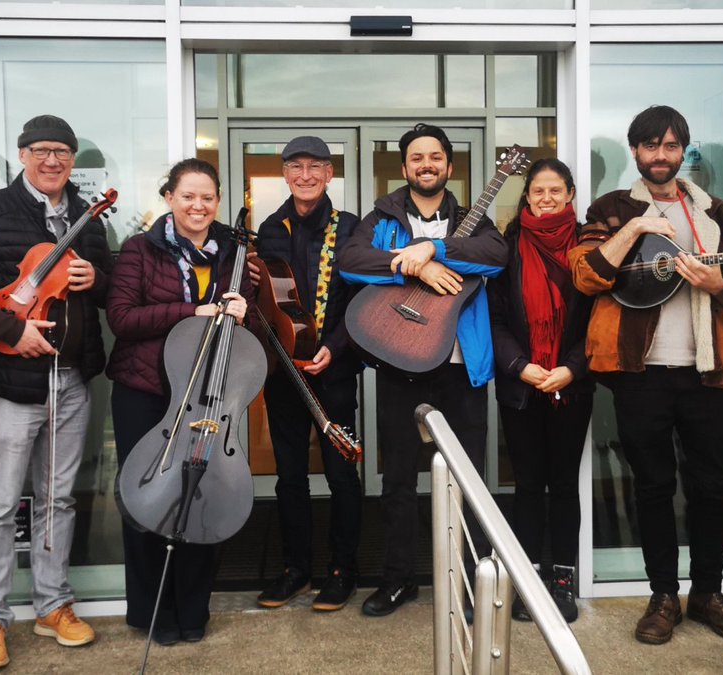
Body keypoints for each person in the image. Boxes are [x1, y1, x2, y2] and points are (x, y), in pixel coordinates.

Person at [569, 105, 723, 645]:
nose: (660, 156)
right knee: (652, 486)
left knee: (716, 485)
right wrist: (633, 228)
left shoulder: (719, 215)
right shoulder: (611, 208)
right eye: (650, 146)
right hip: (639, 372)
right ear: (635, 151)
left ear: (684, 152)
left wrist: (716, 285)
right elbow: (586, 276)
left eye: (671, 147)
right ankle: (663, 597)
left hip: (706, 371)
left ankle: (709, 594)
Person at [0, 115, 110, 670]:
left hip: (70, 380)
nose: (53, 160)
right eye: (42, 150)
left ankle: (52, 604)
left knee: (59, 498)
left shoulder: (87, 219)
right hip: (10, 384)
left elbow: (109, 288)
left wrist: (96, 281)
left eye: (63, 151)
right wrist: (12, 330)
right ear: (22, 155)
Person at [338, 123, 508, 617]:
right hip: (401, 363)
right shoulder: (384, 215)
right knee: (398, 482)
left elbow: (496, 257)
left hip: (461, 369)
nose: (426, 164)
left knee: (469, 479)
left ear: (449, 167)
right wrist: (410, 264)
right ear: (405, 167)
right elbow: (351, 260)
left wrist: (436, 249)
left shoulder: (474, 223)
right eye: (417, 157)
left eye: (435, 156)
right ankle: (398, 580)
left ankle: (472, 582)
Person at [105, 158, 255, 644]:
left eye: (208, 197)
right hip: (147, 394)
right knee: (146, 497)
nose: (198, 205)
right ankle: (152, 614)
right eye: (188, 195)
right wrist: (195, 311)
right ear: (169, 197)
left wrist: (242, 308)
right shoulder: (139, 250)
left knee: (202, 495)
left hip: (210, 398)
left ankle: (193, 612)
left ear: (218, 201)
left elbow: (243, 327)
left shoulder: (232, 254)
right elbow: (123, 319)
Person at [249, 137, 365, 612]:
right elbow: (264, 301)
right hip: (284, 371)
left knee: (342, 473)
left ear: (329, 174)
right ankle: (295, 569)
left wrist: (335, 350)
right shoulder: (267, 229)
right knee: (290, 475)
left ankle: (343, 571)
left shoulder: (352, 228)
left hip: (334, 371)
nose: (305, 174)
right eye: (295, 166)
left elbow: (362, 301)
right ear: (285, 174)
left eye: (315, 166)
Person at [488, 158, 593, 624]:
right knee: (528, 485)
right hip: (522, 385)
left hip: (571, 385)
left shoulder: (590, 247)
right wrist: (519, 366)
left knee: (564, 485)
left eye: (555, 191)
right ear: (526, 197)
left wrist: (571, 368)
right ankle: (529, 581)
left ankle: (564, 581)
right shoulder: (506, 246)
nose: (546, 199)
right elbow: (494, 317)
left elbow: (599, 321)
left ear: (570, 194)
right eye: (538, 191)